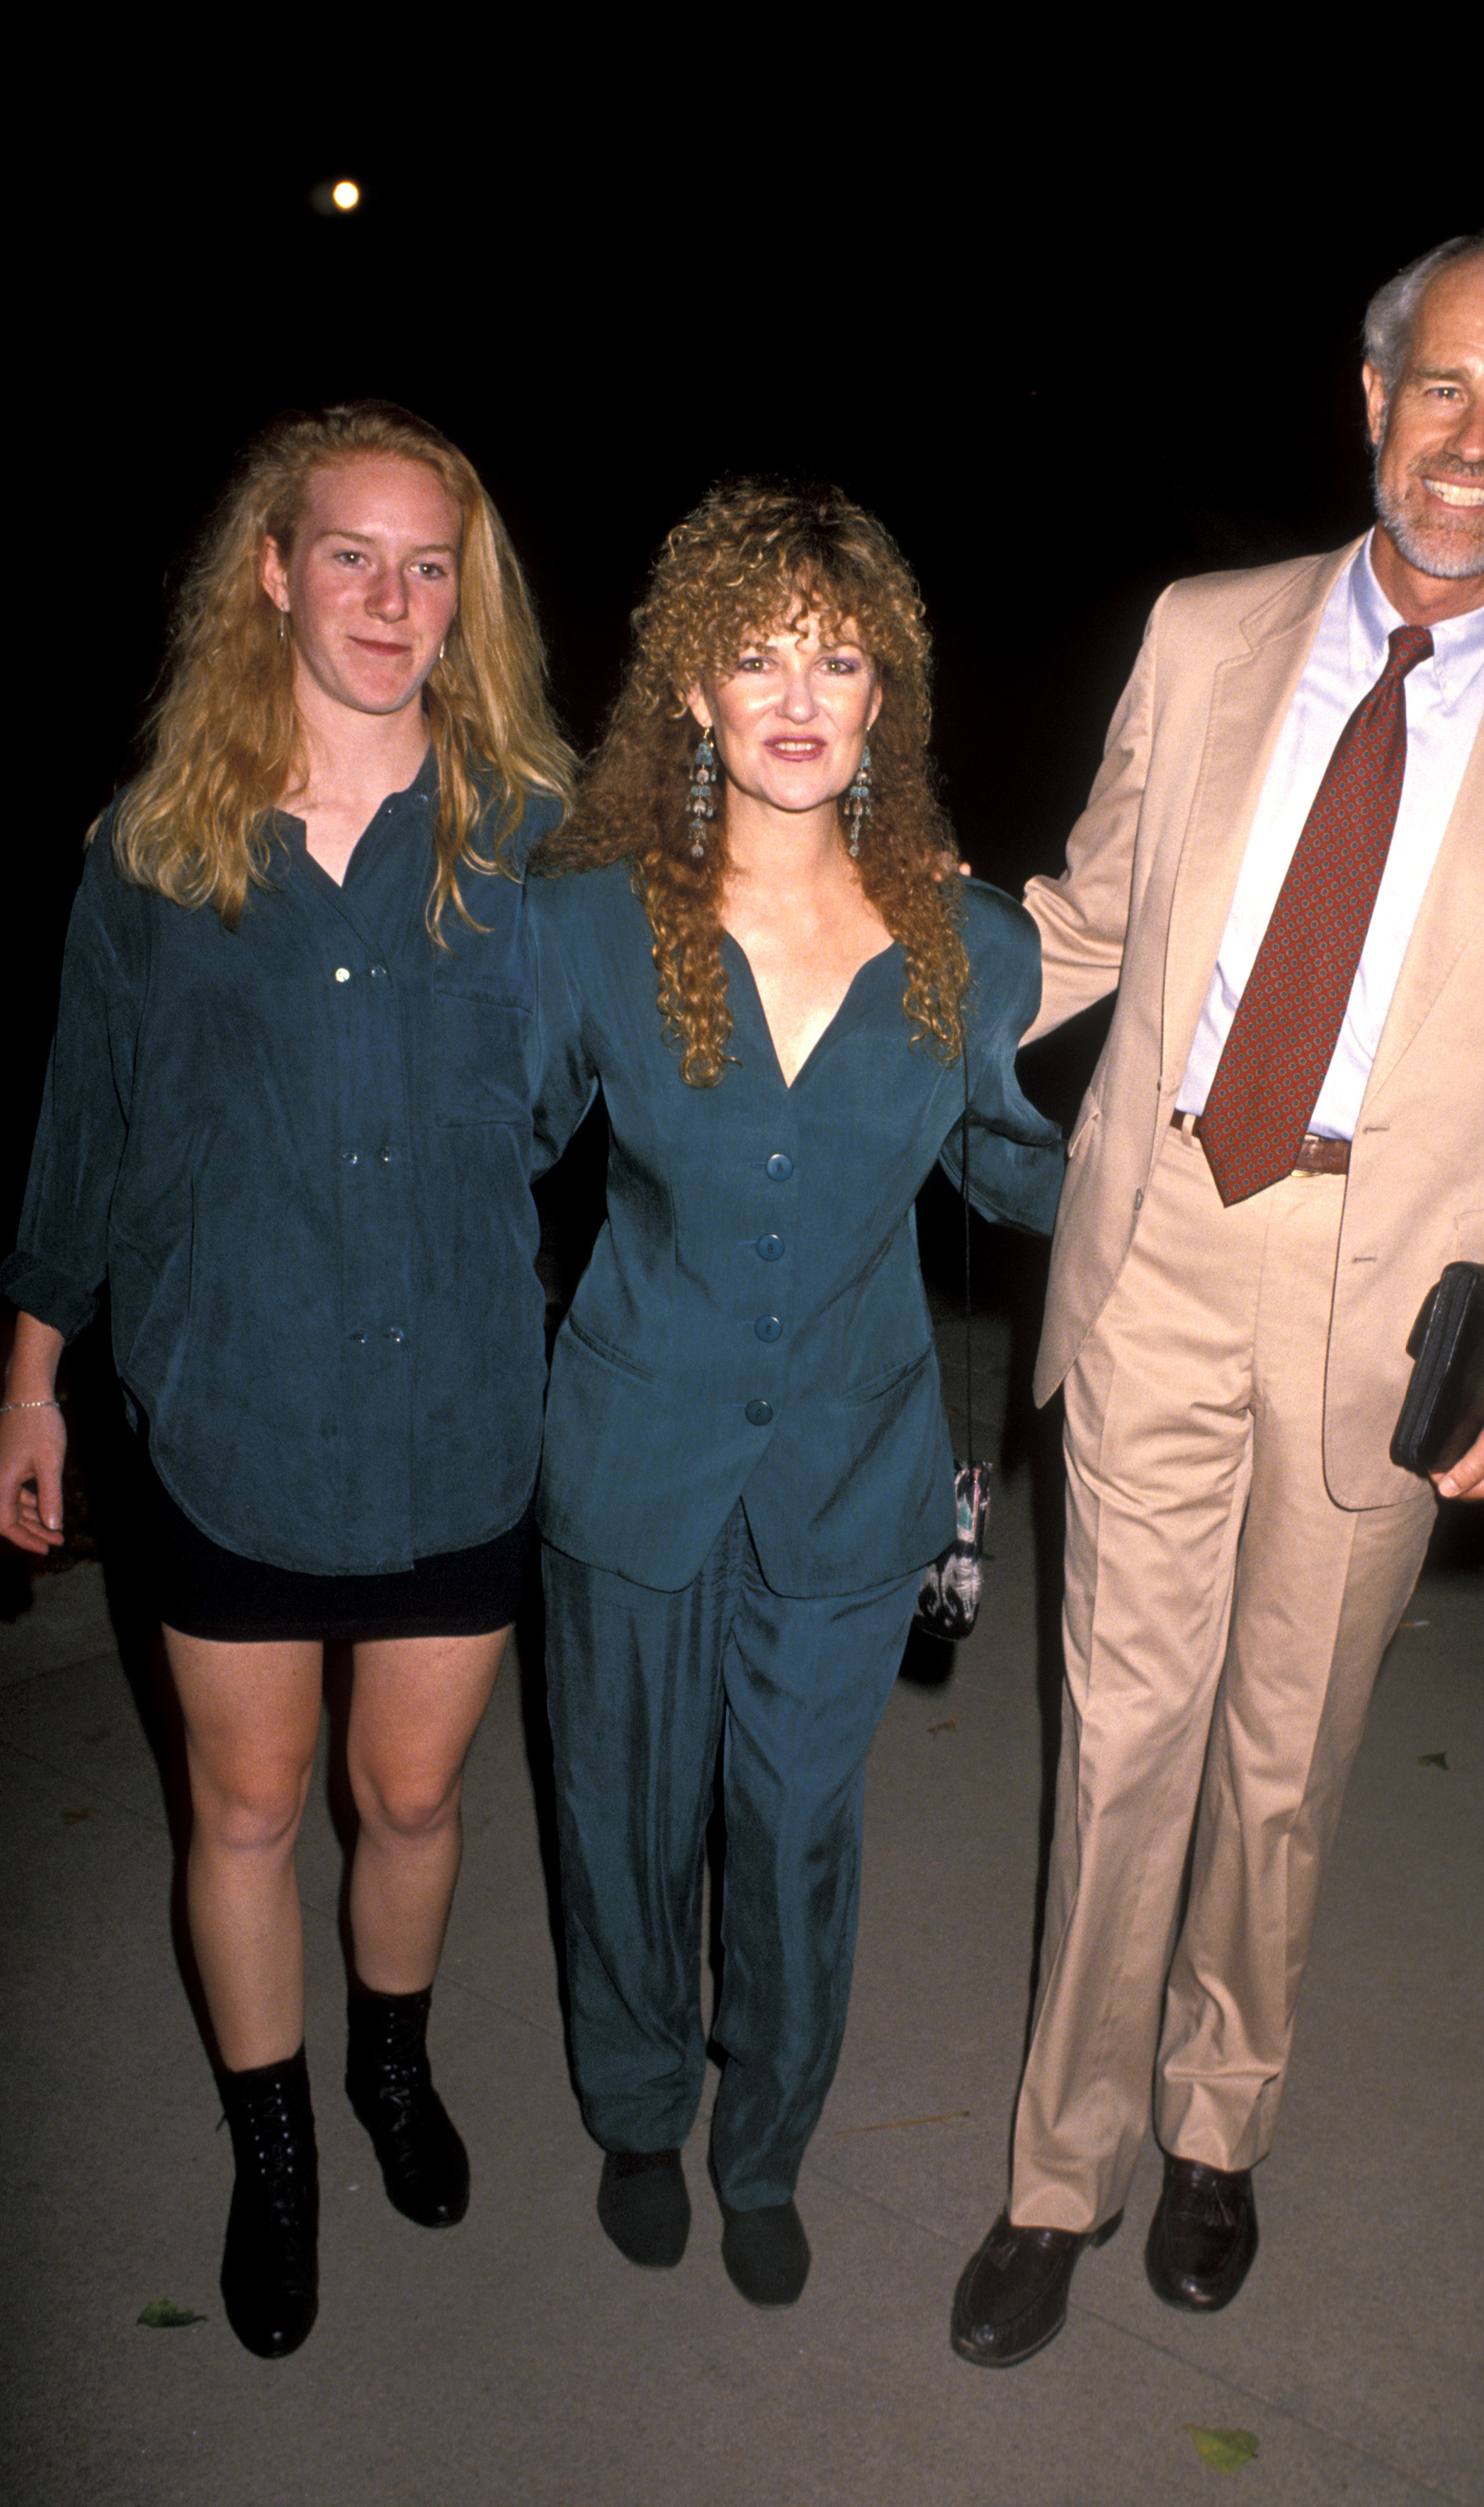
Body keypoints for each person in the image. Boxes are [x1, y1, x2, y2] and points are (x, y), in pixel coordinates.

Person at [950, 214, 1484, 2365]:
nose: (1472, 439)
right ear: (1373, 400)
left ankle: (1218, 2127)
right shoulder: (1202, 634)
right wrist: (870, 1006)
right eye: (1440, 386)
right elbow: (1081, 921)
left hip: (1398, 1296)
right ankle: (1057, 2173)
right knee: (1119, 1744)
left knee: (1283, 1757)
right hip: (1163, 1235)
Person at [0, 403, 575, 2359]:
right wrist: (33, 1373)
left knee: (406, 1801)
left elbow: (668, 1059)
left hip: (460, 1420)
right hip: (225, 1409)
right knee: (244, 1814)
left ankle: (389, 2072)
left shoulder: (536, 839)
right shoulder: (154, 852)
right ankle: (275, 2154)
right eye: (354, 554)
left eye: (432, 565)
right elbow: (87, 1125)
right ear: (273, 568)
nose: (393, 599)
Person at [528, 480, 1061, 2308]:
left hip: (850, 1474)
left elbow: (1017, 1170)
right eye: (754, 652)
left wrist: (1230, 1146)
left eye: (839, 655)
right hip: (631, 1458)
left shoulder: (970, 947)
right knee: (618, 1806)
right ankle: (630, 2104)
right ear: (687, 687)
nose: (797, 692)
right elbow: (484, 1149)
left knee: (796, 1836)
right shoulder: (590, 922)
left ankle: (764, 2149)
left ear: (885, 693)